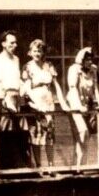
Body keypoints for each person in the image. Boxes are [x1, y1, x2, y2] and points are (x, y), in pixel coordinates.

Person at [22, 39, 68, 167]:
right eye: (35, 50)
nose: (37, 53)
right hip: (34, 104)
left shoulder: (49, 65)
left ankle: (51, 166)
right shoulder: (27, 67)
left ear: (43, 52)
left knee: (49, 136)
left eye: (40, 50)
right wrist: (34, 104)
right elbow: (26, 89)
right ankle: (39, 166)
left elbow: (56, 85)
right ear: (30, 52)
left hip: (48, 104)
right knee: (36, 136)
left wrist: (63, 102)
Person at [0, 32, 23, 103]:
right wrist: (3, 98)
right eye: (12, 43)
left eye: (15, 43)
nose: (15, 45)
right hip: (4, 97)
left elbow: (17, 79)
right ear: (3, 44)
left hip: (17, 96)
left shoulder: (16, 59)